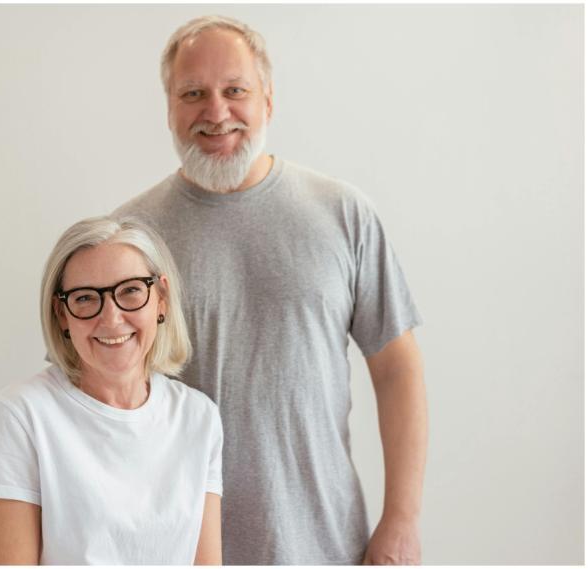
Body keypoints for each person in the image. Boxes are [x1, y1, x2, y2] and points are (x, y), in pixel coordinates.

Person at [114, 15, 428, 565]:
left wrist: (401, 521)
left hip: (326, 545)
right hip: (174, 550)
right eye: (193, 94)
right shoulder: (128, 238)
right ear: (169, 108)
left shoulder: (343, 214)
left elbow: (397, 370)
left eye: (235, 90)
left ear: (268, 100)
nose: (216, 112)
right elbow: (91, 401)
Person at [0, 216, 223, 565]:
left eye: (130, 290)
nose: (111, 318)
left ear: (161, 298)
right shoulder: (21, 416)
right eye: (85, 298)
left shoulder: (198, 417)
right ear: (62, 315)